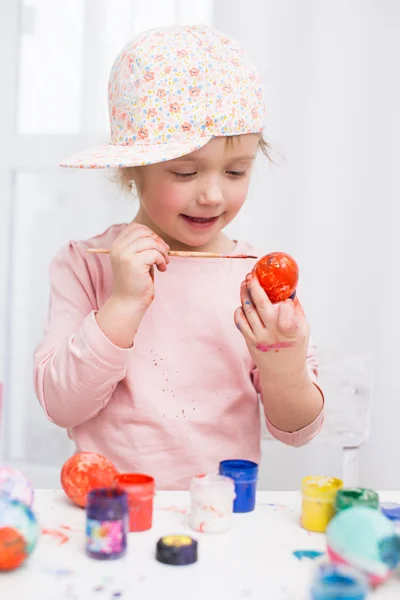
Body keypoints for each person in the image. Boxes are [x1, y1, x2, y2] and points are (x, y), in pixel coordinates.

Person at [33, 24, 324, 489]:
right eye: (185, 171)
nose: (211, 194)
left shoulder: (253, 278)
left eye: (235, 171)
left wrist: (282, 360)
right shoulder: (85, 263)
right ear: (132, 169)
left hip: (223, 514)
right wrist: (123, 303)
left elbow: (296, 430)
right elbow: (60, 405)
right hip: (112, 512)